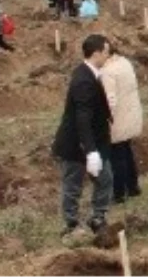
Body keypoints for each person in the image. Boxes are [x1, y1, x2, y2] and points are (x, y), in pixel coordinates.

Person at [51, 34, 114, 240]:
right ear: (96, 53)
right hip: (75, 145)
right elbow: (82, 118)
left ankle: (98, 218)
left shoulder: (90, 74)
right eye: (106, 52)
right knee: (73, 185)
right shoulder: (83, 80)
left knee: (105, 179)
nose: (108, 55)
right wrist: (91, 151)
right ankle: (71, 224)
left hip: (93, 142)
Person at [99, 46, 143, 204]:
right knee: (126, 150)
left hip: (117, 119)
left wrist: (102, 119)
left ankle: (118, 193)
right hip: (130, 115)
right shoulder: (125, 63)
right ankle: (133, 187)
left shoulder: (108, 72)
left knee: (117, 155)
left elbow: (110, 100)